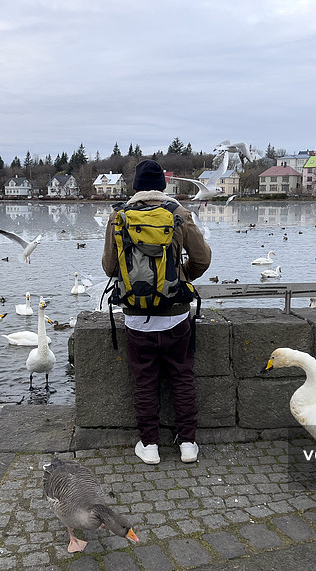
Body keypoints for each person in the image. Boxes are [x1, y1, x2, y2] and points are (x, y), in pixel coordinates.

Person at [102, 159, 212, 465]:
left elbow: (110, 267)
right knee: (182, 378)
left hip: (136, 317)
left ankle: (150, 445)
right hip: (175, 314)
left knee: (144, 382)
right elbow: (202, 259)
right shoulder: (179, 213)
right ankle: (187, 444)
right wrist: (180, 278)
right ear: (163, 186)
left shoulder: (119, 216)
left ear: (135, 186)